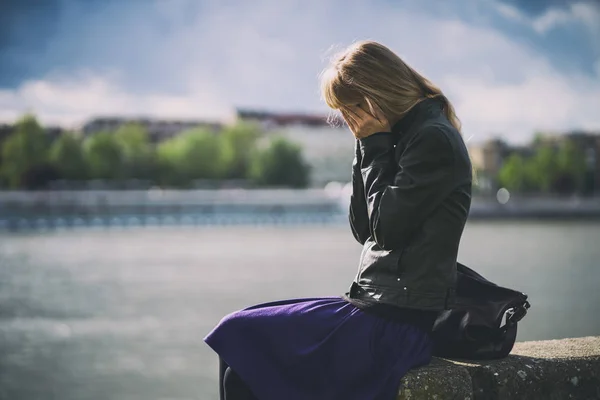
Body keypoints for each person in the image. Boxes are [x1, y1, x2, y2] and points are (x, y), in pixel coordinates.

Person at [204, 40, 473, 400]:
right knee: (236, 335)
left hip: (397, 323)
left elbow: (387, 230)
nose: (349, 121)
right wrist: (367, 148)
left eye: (351, 109)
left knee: (244, 354)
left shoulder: (433, 139)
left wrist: (375, 145)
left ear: (377, 95)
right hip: (372, 305)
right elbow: (363, 230)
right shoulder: (398, 136)